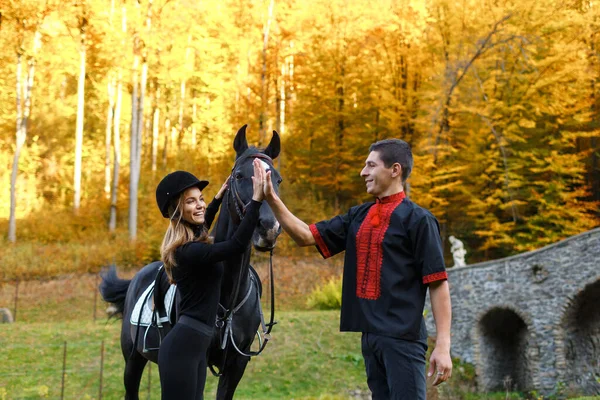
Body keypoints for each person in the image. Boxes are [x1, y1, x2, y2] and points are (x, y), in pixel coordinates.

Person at [262, 139, 452, 399]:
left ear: (395, 170)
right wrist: (271, 198)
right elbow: (306, 236)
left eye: (371, 165)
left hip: (403, 340)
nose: (363, 172)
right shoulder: (357, 216)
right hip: (370, 338)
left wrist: (443, 344)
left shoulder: (420, 220)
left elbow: (438, 283)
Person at [155, 160, 266, 400]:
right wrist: (255, 202)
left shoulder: (193, 242)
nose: (199, 205)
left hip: (195, 349)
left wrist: (215, 200)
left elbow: (202, 224)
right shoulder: (189, 251)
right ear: (177, 210)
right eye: (190, 201)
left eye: (201, 198)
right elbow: (236, 245)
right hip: (181, 350)